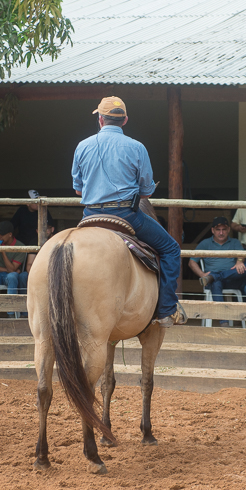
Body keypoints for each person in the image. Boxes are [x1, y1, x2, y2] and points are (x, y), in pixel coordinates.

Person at [72, 96, 186, 327]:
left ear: (101, 119)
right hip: (126, 215)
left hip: (90, 217)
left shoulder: (82, 146)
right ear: (124, 120)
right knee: (172, 249)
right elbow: (146, 191)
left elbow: (78, 189)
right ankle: (166, 309)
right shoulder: (136, 147)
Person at [189, 216, 246, 326]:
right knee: (216, 283)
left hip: (230, 279)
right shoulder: (205, 243)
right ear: (212, 230)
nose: (221, 233)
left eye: (224, 229)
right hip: (211, 281)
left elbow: (241, 256)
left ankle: (215, 276)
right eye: (218, 230)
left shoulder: (235, 242)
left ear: (229, 230)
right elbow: (192, 261)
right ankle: (223, 321)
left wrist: (239, 261)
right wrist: (202, 274)